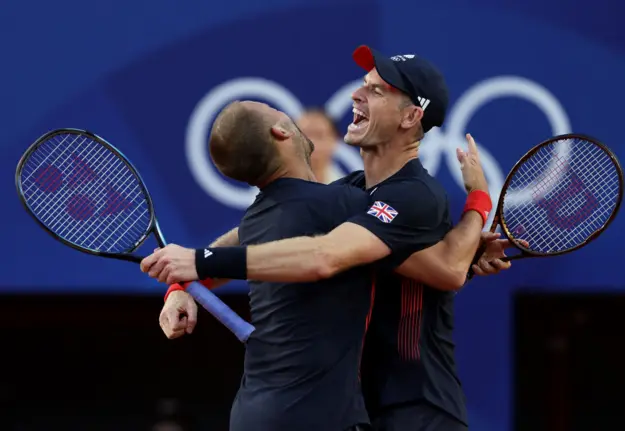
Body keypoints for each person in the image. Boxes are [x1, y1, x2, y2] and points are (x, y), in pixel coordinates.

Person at [144, 46, 514, 431]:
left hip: (418, 407)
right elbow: (252, 238)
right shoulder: (349, 194)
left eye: (377, 91)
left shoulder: (416, 193)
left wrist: (477, 202)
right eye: (362, 85)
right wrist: (182, 285)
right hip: (361, 406)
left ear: (410, 117)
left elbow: (444, 269)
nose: (357, 94)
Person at [297, 108, 343, 183]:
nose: (311, 142)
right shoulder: (276, 189)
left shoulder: (347, 191)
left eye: (319, 136)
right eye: (304, 135)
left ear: (334, 140)